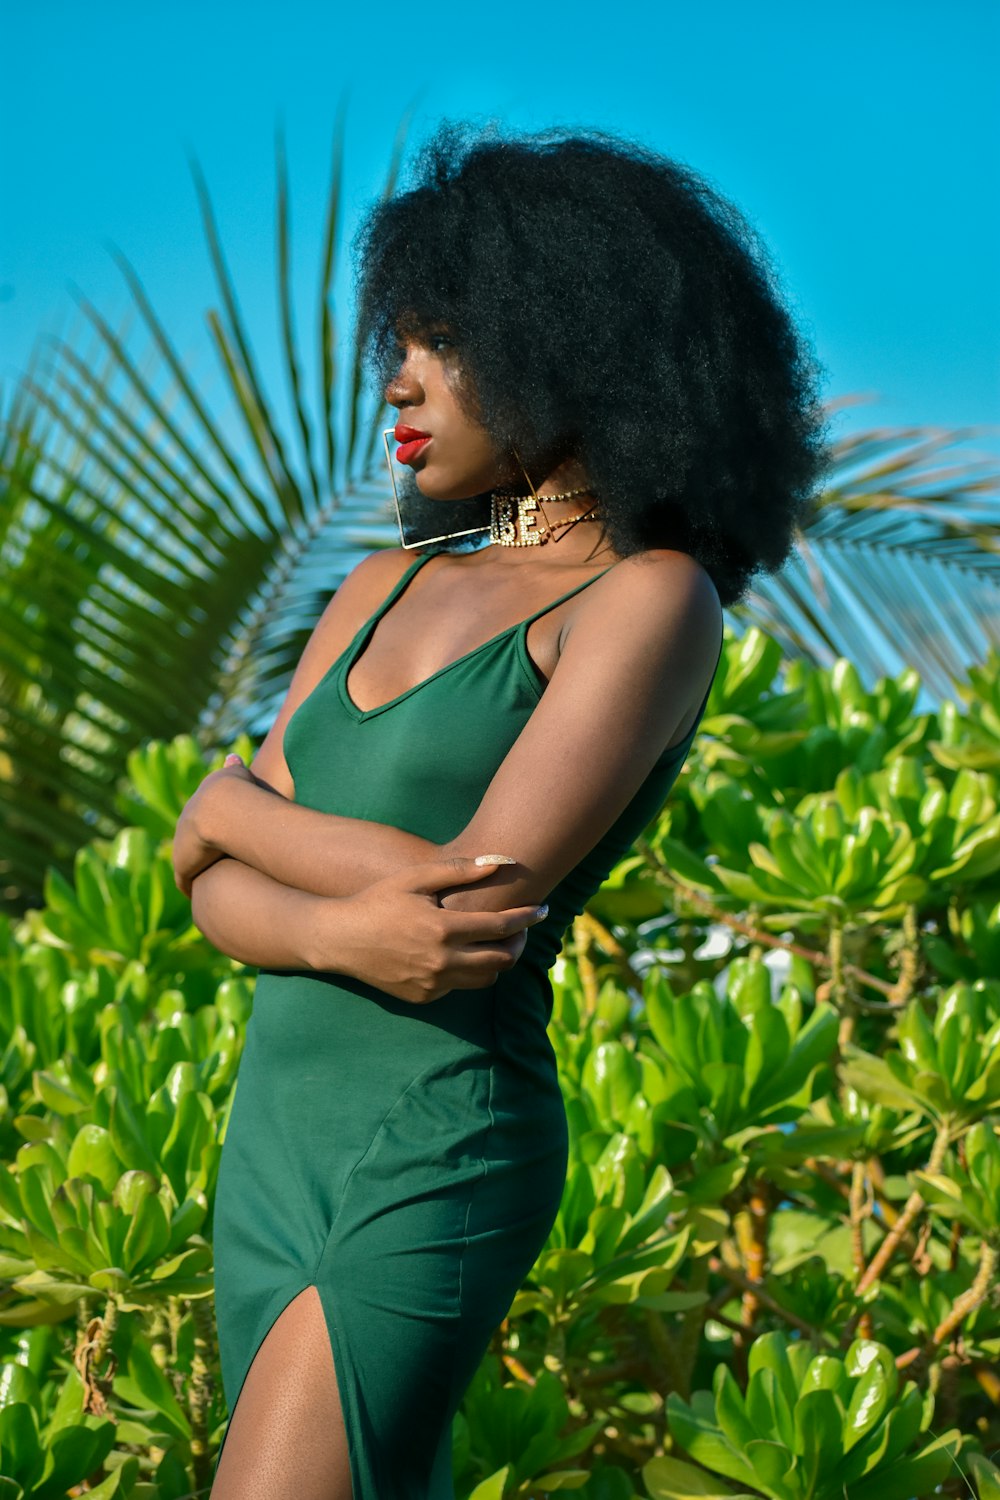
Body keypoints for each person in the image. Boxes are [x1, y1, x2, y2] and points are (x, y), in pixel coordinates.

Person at [173, 120, 829, 1499]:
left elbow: (468, 904)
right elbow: (204, 887)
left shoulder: (647, 600)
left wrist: (235, 806)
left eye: (439, 342)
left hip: (434, 1135)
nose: (395, 382)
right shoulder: (376, 590)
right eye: (394, 338)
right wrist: (339, 919)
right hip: (271, 1142)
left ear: (569, 345)